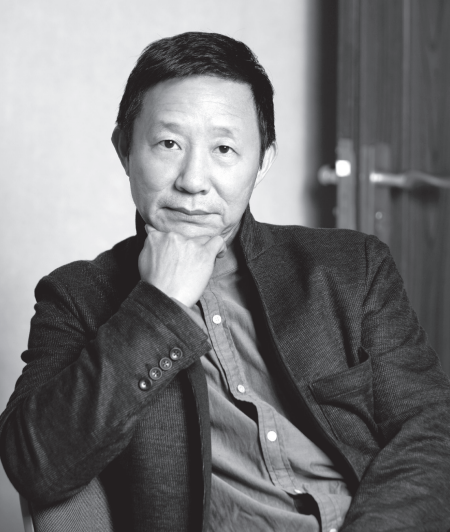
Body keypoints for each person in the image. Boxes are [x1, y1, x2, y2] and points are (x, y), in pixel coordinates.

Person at [1, 31, 450, 532]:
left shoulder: (351, 268)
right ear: (124, 148)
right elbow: (35, 464)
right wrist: (157, 307)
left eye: (224, 148)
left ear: (263, 162)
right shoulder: (77, 297)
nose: (193, 181)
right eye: (169, 144)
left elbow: (430, 429)